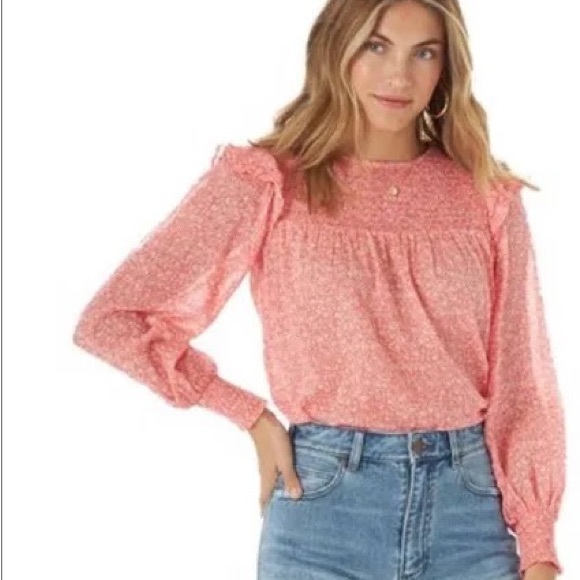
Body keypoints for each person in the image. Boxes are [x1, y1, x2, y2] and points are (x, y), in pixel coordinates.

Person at [72, 0, 566, 578]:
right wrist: (250, 415)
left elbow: (523, 383)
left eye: (424, 53)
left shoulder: (485, 198)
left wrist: (539, 546)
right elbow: (115, 319)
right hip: (322, 516)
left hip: (469, 517)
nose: (399, 76)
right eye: (376, 46)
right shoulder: (272, 182)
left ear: (447, 68)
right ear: (337, 49)